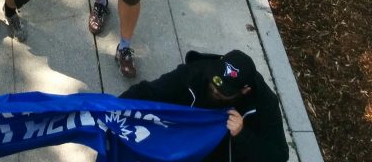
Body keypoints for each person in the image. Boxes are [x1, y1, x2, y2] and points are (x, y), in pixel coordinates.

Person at [121, 49, 289, 162]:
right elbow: (149, 91)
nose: (215, 90)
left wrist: (242, 135)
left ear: (245, 90)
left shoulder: (265, 104)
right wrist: (111, 107)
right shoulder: (196, 72)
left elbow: (279, 155)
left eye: (224, 91)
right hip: (182, 143)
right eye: (215, 83)